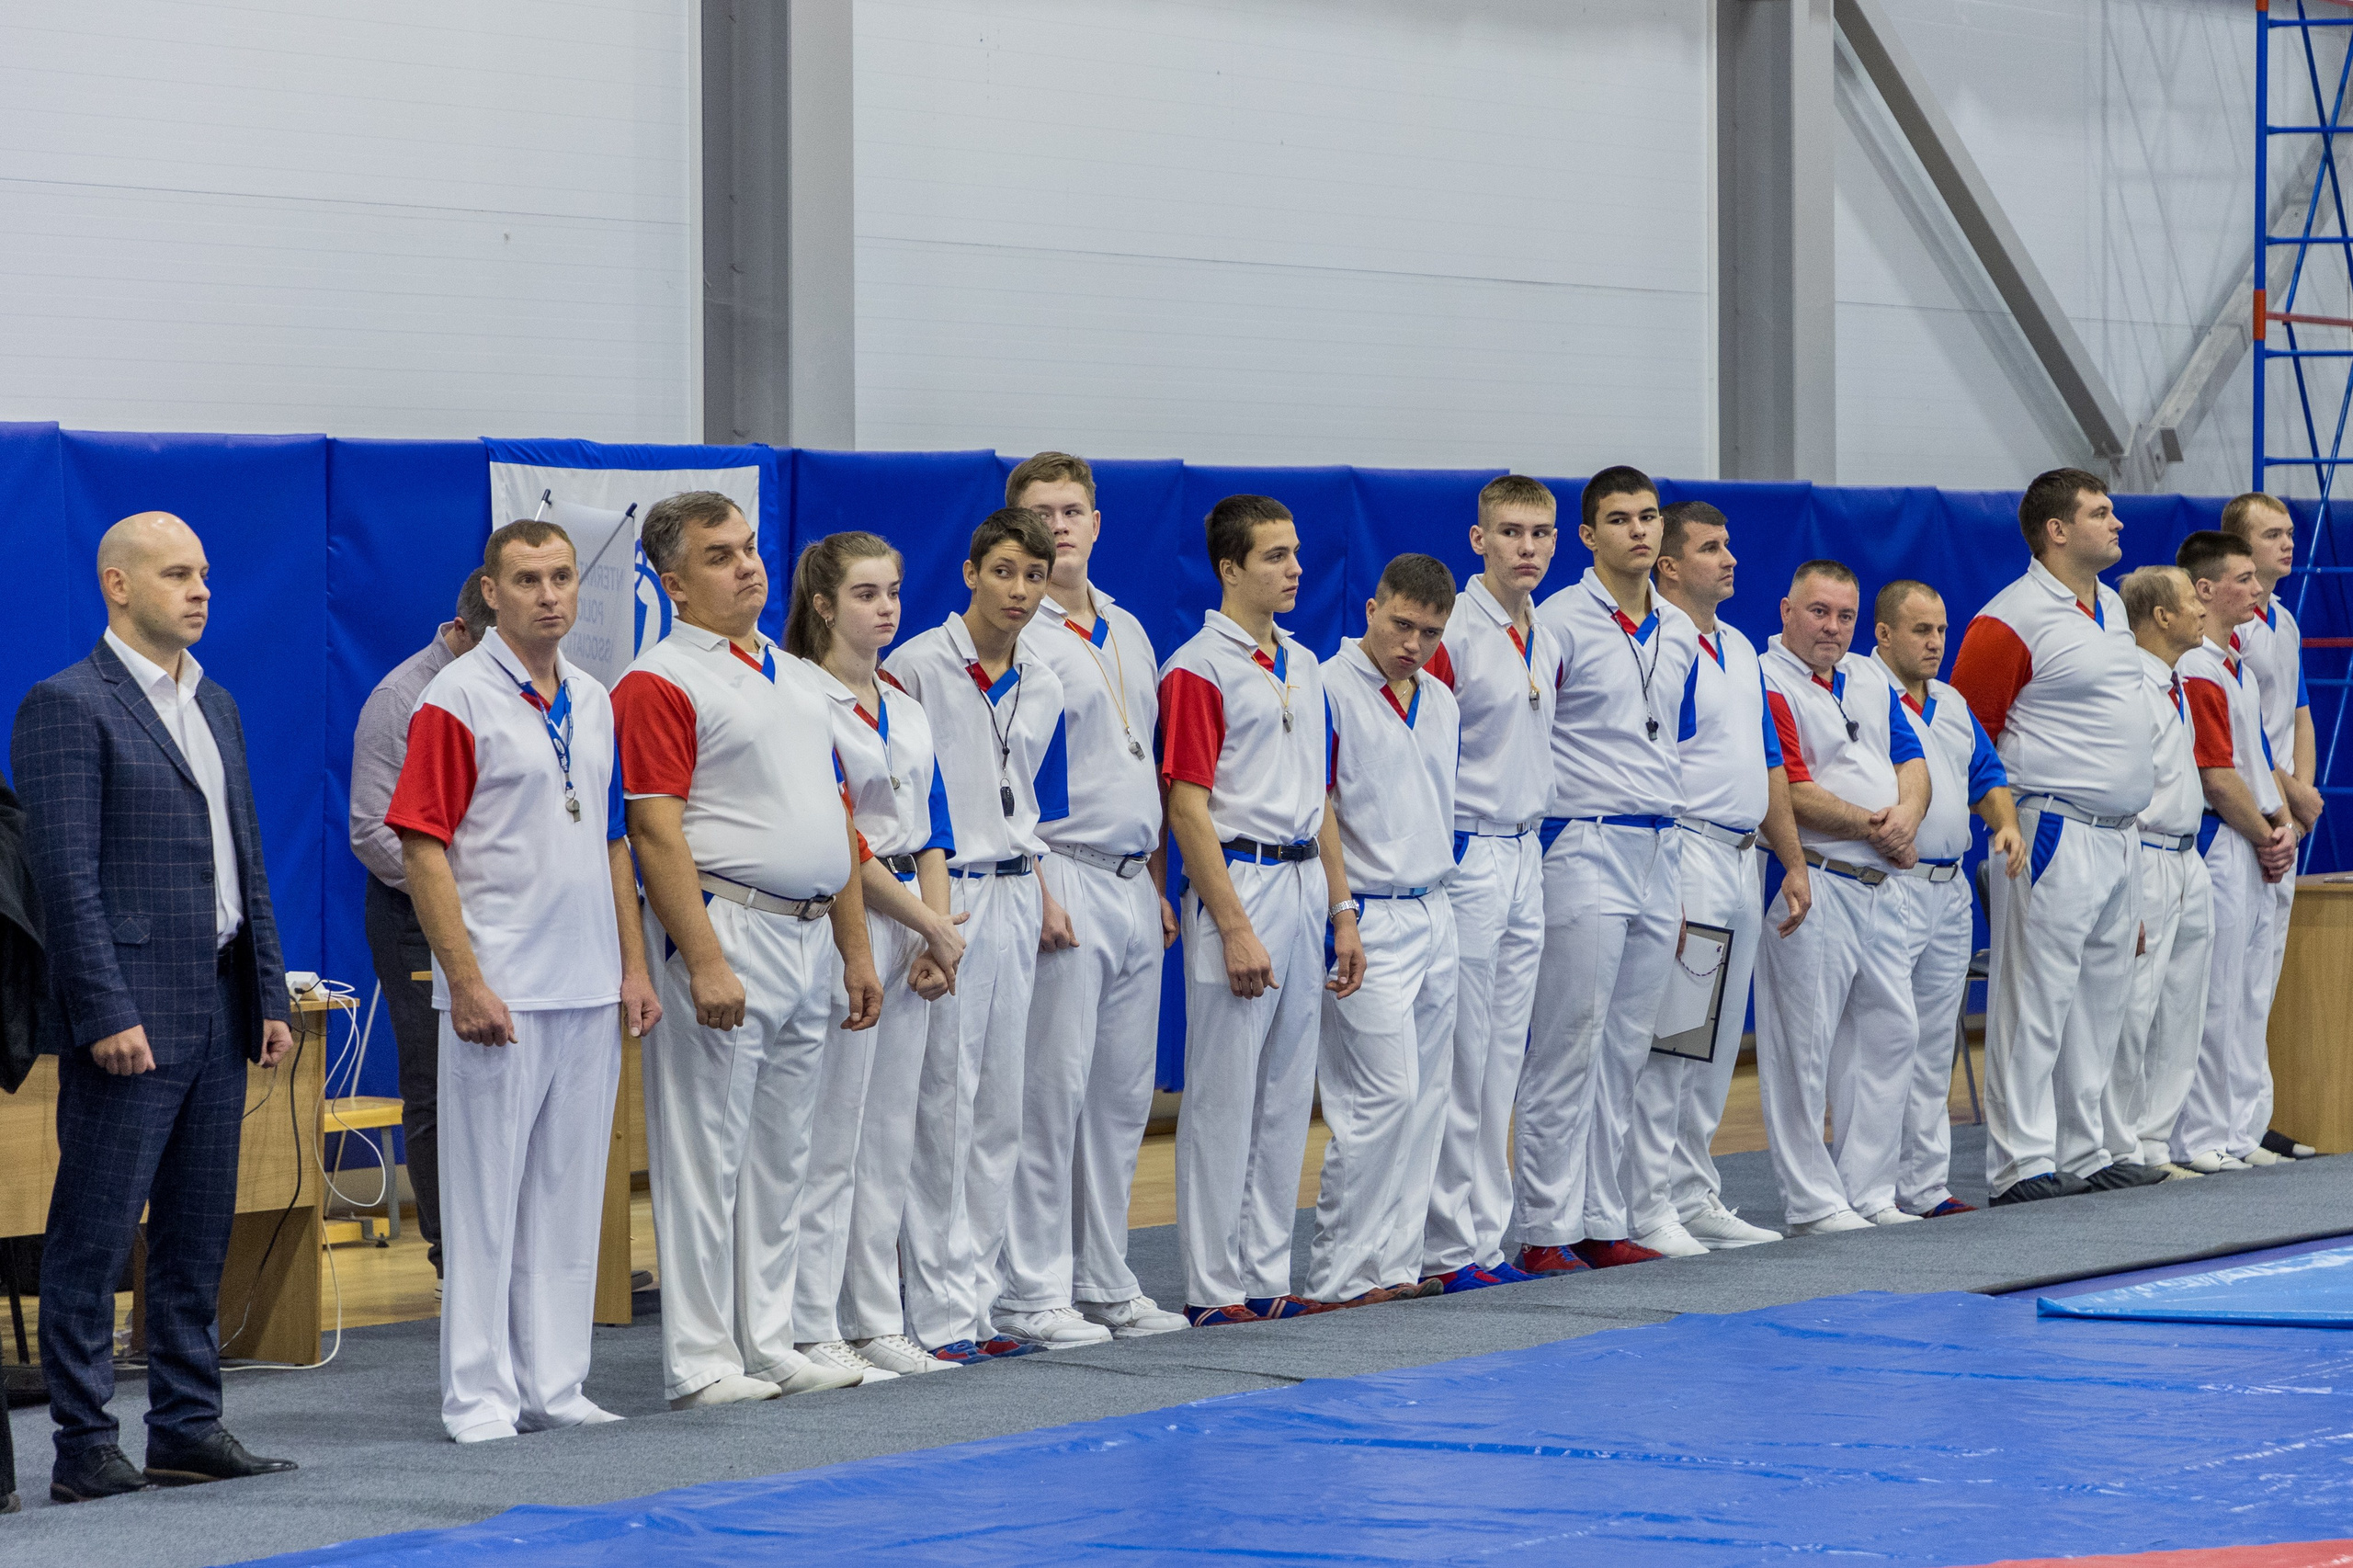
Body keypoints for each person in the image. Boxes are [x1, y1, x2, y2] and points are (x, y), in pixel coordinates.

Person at [16, 512, 297, 1501]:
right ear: (117, 585)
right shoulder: (66, 704)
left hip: (220, 1001)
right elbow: (65, 877)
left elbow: (246, 860)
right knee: (93, 1234)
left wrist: (268, 987)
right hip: (130, 1013)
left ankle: (186, 1422)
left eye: (206, 573)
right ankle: (84, 1441)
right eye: (178, 573)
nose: (201, 589)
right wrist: (104, 1010)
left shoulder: (212, 701)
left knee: (195, 1230)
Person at [611, 492, 900, 1407]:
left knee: (784, 1152)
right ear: (675, 582)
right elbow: (655, 831)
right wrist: (700, 957)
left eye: (749, 547)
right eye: (720, 555)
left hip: (812, 927)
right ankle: (700, 1357)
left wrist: (856, 947)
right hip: (729, 922)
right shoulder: (658, 679)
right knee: (707, 1152)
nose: (747, 566)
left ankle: (768, 1338)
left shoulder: (792, 671)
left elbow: (836, 819)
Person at [386, 518, 662, 1443]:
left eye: (560, 577)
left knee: (570, 1194)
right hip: (497, 985)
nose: (549, 594)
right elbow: (421, 844)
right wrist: (462, 978)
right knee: (483, 1201)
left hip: (586, 978)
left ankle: (556, 1379)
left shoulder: (594, 695)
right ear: (490, 593)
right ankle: (478, 1394)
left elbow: (615, 839)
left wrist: (631, 963)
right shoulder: (455, 699)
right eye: (527, 579)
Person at [998, 453, 1188, 1346]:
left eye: (1074, 509)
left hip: (1126, 875)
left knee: (1120, 1097)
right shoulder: (1015, 635)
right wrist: (1036, 884)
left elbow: (1140, 762)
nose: (1061, 525)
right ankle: (1032, 1289)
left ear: (1099, 522)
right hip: (1061, 869)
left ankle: (1105, 1277)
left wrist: (1155, 882)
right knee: (1052, 1093)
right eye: (1041, 513)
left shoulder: (1127, 628)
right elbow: (1003, 780)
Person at [1160, 494, 1361, 1324]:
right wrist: (1235, 925)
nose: (1295, 569)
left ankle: (1266, 1273)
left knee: (1285, 1093)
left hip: (1304, 879)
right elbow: (1186, 806)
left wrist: (1342, 908)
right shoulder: (1196, 668)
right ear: (1230, 568)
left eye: (1297, 553)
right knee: (1222, 1096)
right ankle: (1213, 1289)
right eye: (1276, 556)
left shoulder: (1306, 663)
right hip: (1238, 883)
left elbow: (1319, 796)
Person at [883, 508, 1073, 1363]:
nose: (1021, 592)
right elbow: (898, 803)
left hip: (1014, 888)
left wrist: (1043, 894)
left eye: (1034, 577)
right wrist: (926, 920)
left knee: (1001, 1105)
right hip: (944, 891)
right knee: (943, 1107)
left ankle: (983, 1300)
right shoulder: (916, 667)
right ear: (970, 574)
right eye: (1004, 572)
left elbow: (1030, 803)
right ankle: (935, 1311)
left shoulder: (1048, 674)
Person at [787, 529, 969, 1381]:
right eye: (865, 593)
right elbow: (847, 838)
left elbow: (930, 827)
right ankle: (811, 1319)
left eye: (893, 591)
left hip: (913, 923)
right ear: (823, 604)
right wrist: (930, 925)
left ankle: (876, 1316)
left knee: (891, 1135)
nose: (885, 607)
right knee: (832, 1138)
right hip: (845, 921)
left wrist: (938, 933)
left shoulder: (906, 701)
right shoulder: (804, 699)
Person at [1949, 469, 2154, 1204]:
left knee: (2102, 999)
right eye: (2102, 513)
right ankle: (2019, 1161)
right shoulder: (2010, 617)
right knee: (2033, 999)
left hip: (2120, 832)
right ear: (2057, 530)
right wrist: (2001, 823)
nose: (2117, 524)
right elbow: (1965, 731)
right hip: (2052, 829)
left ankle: (2085, 1146)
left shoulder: (2113, 611)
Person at [1518, 466, 1699, 1274]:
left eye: (1650, 517)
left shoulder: (1681, 628)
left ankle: (1602, 1215)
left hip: (1663, 841)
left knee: (1629, 1045)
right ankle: (1545, 1227)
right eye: (1620, 519)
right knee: (1570, 1040)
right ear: (1587, 536)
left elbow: (1666, 739)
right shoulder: (1556, 621)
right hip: (1585, 839)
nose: (1639, 530)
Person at [1629, 500, 1810, 1255]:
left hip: (1742, 859)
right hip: (1688, 853)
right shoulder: (1657, 645)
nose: (1730, 557)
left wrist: (1793, 860)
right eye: (1710, 547)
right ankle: (1646, 1206)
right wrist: (1663, 874)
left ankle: (1695, 1193)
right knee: (1671, 1042)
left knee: (1710, 1049)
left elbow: (1767, 762)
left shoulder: (1738, 646)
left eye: (1730, 543)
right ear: (1668, 565)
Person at [1756, 561, 1931, 1233]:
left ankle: (1870, 1189)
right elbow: (1790, 789)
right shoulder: (1769, 681)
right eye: (1819, 611)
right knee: (1803, 1045)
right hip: (1817, 878)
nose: (1833, 627)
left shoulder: (1867, 679)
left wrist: (1906, 816)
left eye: (1845, 615)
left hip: (1882, 883)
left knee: (1892, 1034)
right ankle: (1812, 1199)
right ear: (1786, 610)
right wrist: (1879, 828)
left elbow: (1913, 763)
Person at [1306, 554, 1463, 1307]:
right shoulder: (1328, 687)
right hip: (1366, 909)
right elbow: (1321, 807)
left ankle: (1395, 1264)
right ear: (1371, 606)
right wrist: (1342, 913)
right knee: (1381, 1099)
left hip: (1436, 903)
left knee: (1429, 1095)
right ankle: (1341, 1271)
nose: (1414, 643)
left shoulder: (1440, 697)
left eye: (1431, 632)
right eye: (1402, 624)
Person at [1417, 475, 1561, 1291]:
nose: (1527, 548)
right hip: (1469, 852)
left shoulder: (1543, 631)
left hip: (1526, 853)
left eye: (1540, 533)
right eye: (1510, 533)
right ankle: (1447, 1245)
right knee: (1465, 1060)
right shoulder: (1456, 633)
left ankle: (1487, 1237)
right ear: (1479, 541)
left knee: (1504, 1058)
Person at [1870, 581, 2035, 1212]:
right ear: (1884, 633)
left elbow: (1986, 777)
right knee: (1885, 1041)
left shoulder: (1953, 702)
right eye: (1920, 630)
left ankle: (1924, 1185)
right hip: (1892, 884)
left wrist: (2008, 824)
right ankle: (1871, 1186)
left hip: (1950, 888)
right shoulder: (1862, 692)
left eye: (1940, 630)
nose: (1936, 642)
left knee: (1937, 1041)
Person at [349, 570, 493, 1287]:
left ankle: (516, 1249)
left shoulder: (534, 690)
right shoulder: (402, 699)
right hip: (416, 918)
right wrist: (466, 896)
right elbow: (373, 833)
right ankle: (453, 1258)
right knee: (438, 1081)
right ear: (462, 630)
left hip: (514, 919)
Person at [2172, 530, 2299, 1174]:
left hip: (2253, 837)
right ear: (2205, 589)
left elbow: (2258, 763)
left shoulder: (2236, 666)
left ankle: (2238, 1125)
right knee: (2216, 994)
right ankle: (2198, 1134)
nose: (2256, 590)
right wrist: (2262, 831)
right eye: (2243, 579)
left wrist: (2280, 824)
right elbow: (2216, 774)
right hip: (2223, 840)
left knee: (2249, 992)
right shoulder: (2195, 666)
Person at [2218, 493, 2325, 1163]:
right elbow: (2243, 735)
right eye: (2271, 535)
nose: (2286, 544)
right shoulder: (2230, 631)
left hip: (2285, 813)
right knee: (2227, 982)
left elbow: (2300, 713)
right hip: (2248, 815)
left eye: (2289, 533)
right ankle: (2220, 1125)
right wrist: (2289, 798)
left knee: (2261, 978)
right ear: (2239, 549)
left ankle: (2252, 1118)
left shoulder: (2283, 620)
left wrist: (2305, 794)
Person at [2103, 565, 2215, 1181]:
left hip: (2187, 854)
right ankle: (2119, 1143)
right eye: (2189, 600)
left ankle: (2155, 1140)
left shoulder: (2176, 684)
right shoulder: (2131, 686)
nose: (2202, 609)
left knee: (2180, 1005)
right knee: (2134, 1004)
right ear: (2161, 617)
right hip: (2143, 850)